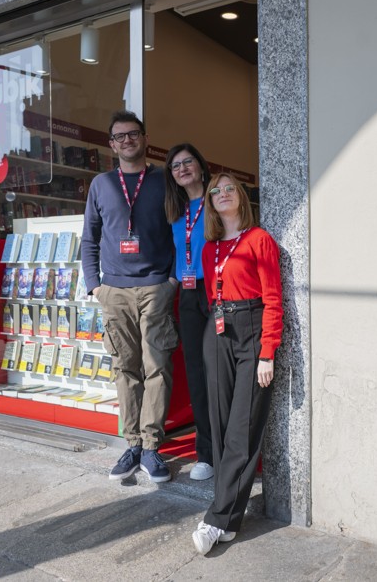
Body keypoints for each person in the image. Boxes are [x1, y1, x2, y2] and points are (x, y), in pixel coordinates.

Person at [81, 110, 179, 483]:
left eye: (133, 134)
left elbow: (178, 232)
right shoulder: (102, 184)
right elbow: (89, 237)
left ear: (145, 139)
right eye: (119, 136)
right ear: (111, 145)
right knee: (126, 369)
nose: (127, 141)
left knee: (157, 368)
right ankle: (133, 444)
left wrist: (171, 280)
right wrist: (95, 285)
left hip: (155, 287)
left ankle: (152, 447)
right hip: (115, 291)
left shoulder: (163, 180)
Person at [191, 172, 283, 555]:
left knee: (242, 428)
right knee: (220, 421)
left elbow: (274, 299)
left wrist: (267, 352)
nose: (223, 194)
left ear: (241, 198)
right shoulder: (210, 247)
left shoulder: (259, 240)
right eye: (216, 190)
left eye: (230, 188)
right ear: (210, 202)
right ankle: (228, 518)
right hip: (217, 329)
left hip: (250, 328)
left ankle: (217, 519)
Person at [164, 143, 215, 482]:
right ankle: (206, 453)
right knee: (196, 372)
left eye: (188, 162)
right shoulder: (174, 210)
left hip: (217, 291)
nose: (182, 168)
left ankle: (229, 448)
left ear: (200, 165)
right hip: (187, 293)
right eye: (176, 165)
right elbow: (174, 253)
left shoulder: (216, 199)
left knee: (220, 369)